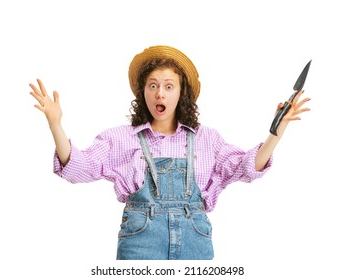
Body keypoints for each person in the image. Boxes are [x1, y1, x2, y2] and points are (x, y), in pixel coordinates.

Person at [29, 45, 310, 260]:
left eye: (168, 86)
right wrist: (55, 123)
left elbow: (247, 167)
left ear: (181, 93)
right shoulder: (121, 138)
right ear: (144, 93)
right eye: (153, 85)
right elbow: (79, 166)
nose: (159, 94)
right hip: (140, 242)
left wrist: (276, 132)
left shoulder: (207, 139)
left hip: (195, 241)